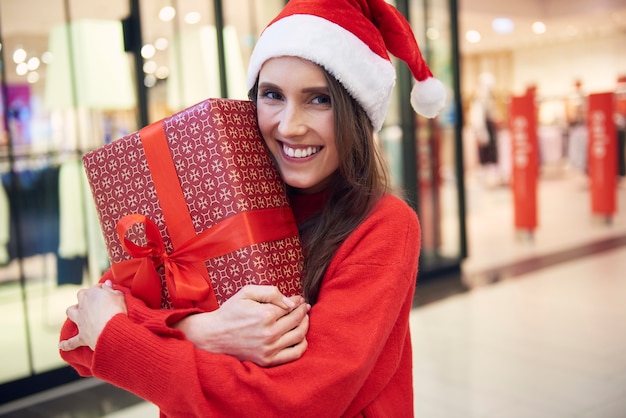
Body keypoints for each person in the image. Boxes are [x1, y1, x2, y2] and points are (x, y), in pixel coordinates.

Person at [59, 0, 446, 416]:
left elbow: (291, 403)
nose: (290, 125)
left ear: (358, 111)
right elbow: (79, 330)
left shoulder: (383, 225)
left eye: (319, 100)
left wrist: (128, 339)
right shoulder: (218, 191)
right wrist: (203, 331)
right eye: (272, 95)